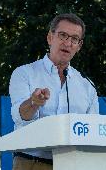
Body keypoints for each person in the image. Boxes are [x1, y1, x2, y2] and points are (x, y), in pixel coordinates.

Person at [9, 13, 99, 170]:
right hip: (32, 163)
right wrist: (33, 102)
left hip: (74, 165)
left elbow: (93, 131)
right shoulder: (25, 73)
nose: (68, 43)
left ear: (79, 46)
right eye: (63, 35)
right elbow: (19, 116)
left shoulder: (87, 85)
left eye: (74, 39)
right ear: (50, 37)